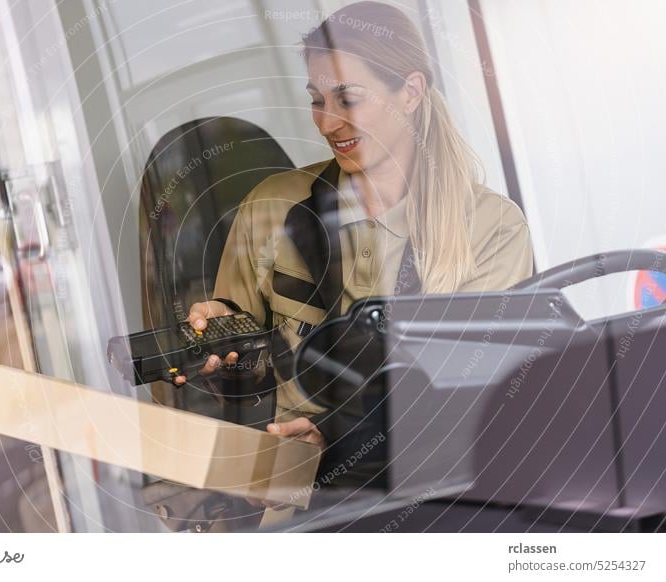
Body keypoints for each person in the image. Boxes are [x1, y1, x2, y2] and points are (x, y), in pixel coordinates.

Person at [173, 1, 533, 452]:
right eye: (317, 101)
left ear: (411, 92)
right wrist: (224, 347)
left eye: (349, 99)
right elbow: (243, 387)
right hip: (300, 499)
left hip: (440, 490)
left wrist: (342, 435)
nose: (327, 122)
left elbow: (478, 394)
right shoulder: (269, 207)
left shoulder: (492, 229)